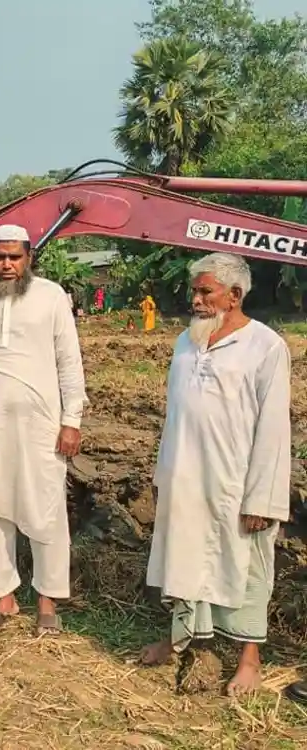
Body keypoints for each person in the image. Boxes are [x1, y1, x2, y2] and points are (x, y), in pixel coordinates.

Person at [139, 253, 291, 697]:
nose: (197, 299)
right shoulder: (186, 342)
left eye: (206, 291)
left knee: (247, 569)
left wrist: (262, 498)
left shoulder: (265, 346)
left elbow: (274, 429)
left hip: (235, 483)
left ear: (235, 295)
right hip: (185, 476)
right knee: (183, 559)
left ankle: (249, 660)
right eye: (196, 291)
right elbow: (176, 415)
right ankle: (179, 640)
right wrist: (163, 469)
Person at [0, 224, 87, 635]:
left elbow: (69, 361)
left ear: (29, 258)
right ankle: (2, 597)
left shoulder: (51, 296)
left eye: (15, 257)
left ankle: (47, 602)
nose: (7, 265)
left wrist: (72, 420)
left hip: (41, 425)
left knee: (44, 510)